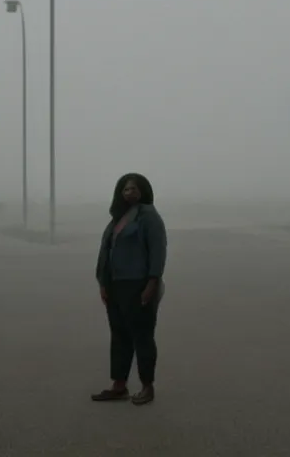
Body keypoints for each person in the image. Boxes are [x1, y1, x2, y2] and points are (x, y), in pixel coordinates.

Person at [92, 173, 167, 406]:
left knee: (142, 336)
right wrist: (103, 284)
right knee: (119, 336)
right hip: (115, 286)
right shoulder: (117, 219)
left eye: (134, 188)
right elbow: (106, 252)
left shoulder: (149, 216)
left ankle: (147, 387)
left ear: (143, 190)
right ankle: (119, 386)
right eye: (125, 189)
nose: (129, 193)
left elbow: (158, 250)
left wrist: (152, 283)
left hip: (139, 285)